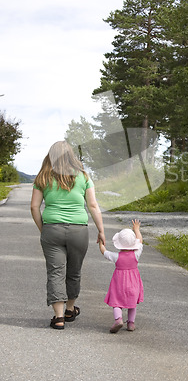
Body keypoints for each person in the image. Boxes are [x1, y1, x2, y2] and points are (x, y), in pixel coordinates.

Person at [31, 140, 105, 330]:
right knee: (74, 271)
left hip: (51, 229)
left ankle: (58, 317)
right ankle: (70, 309)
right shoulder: (83, 176)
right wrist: (101, 230)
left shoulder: (42, 177)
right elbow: (93, 205)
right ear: (71, 156)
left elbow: (34, 207)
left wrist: (44, 228)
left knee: (55, 272)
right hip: (78, 230)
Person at [99, 219, 144, 333]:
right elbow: (140, 241)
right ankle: (131, 323)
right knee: (132, 303)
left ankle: (118, 319)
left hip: (119, 282)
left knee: (116, 302)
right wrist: (137, 229)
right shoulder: (136, 254)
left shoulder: (116, 256)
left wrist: (101, 242)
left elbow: (104, 252)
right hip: (133, 282)